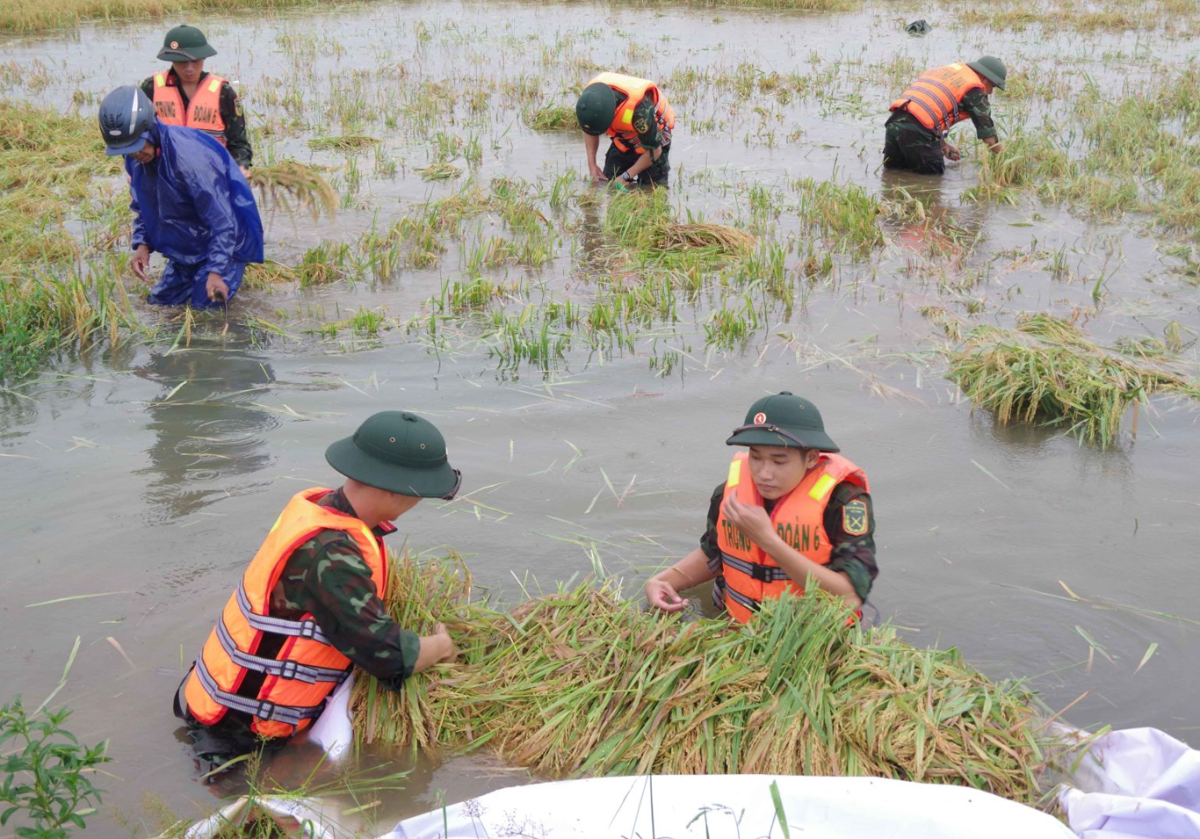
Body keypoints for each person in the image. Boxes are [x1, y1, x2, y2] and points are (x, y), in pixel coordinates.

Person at [173, 410, 462, 765]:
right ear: (391, 488)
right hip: (238, 737)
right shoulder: (332, 555)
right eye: (421, 492)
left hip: (217, 700)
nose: (419, 501)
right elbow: (388, 657)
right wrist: (441, 645)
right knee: (261, 818)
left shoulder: (323, 508)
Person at [645, 392, 877, 622]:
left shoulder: (844, 502)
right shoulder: (729, 494)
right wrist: (665, 581)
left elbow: (851, 596)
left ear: (812, 458)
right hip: (739, 629)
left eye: (779, 461)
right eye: (756, 457)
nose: (764, 473)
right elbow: (714, 553)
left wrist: (769, 541)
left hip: (810, 640)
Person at [98, 85, 263, 308]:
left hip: (225, 244)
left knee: (204, 310)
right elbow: (144, 203)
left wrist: (216, 271)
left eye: (137, 145)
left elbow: (223, 222)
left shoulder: (189, 162)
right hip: (186, 248)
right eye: (127, 150)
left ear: (150, 127)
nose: (135, 154)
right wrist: (142, 244)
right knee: (158, 303)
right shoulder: (136, 157)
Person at [140, 24, 254, 175]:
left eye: (195, 61)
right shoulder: (151, 88)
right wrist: (141, 151)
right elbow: (133, 134)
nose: (189, 68)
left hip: (211, 176)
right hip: (163, 176)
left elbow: (239, 143)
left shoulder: (223, 93)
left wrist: (240, 167)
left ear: (204, 57)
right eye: (182, 61)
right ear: (171, 59)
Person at [883, 56, 1007, 175]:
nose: (990, 92)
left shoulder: (947, 72)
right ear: (984, 78)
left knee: (893, 174)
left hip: (894, 123)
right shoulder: (974, 89)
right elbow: (990, 140)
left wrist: (943, 145)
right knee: (931, 180)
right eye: (993, 86)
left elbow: (929, 111)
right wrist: (1007, 163)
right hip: (917, 131)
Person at [576, 72, 675, 187]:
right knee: (608, 183)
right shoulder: (590, 99)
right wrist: (592, 164)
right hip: (624, 140)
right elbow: (589, 129)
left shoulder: (640, 111)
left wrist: (626, 176)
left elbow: (655, 151)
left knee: (651, 190)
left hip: (653, 139)